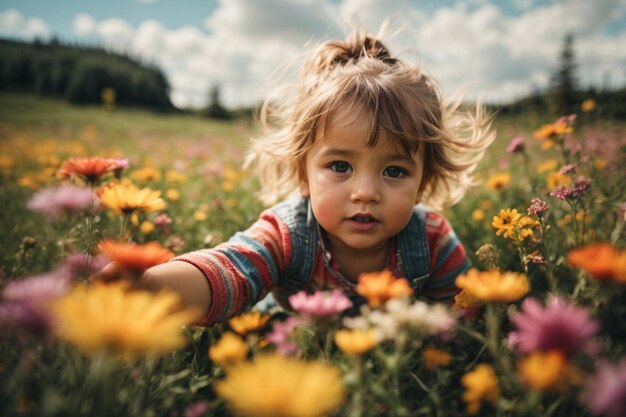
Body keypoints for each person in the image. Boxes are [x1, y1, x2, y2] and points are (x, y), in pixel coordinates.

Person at [103, 31, 495, 326]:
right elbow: (230, 270)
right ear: (302, 176)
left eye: (395, 171)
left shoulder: (432, 242)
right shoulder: (287, 233)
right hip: (297, 347)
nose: (365, 193)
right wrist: (148, 288)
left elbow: (464, 321)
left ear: (423, 183)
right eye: (340, 166)